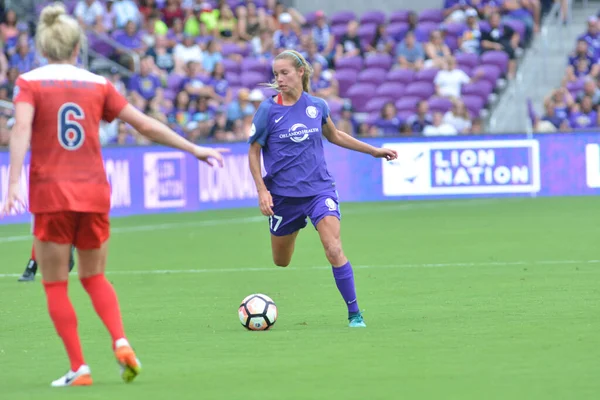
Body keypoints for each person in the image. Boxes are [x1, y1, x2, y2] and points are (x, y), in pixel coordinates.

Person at [0, 3, 227, 387]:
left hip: (52, 193)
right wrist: (194, 148)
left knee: (56, 283)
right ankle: (121, 341)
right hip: (94, 192)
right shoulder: (98, 84)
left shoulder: (30, 82)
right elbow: (144, 125)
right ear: (77, 49)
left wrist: (13, 181)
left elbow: (21, 129)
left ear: (43, 48)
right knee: (94, 277)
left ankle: (80, 368)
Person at [247, 50, 398, 328]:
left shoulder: (317, 106)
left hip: (319, 191)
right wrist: (261, 191)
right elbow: (254, 151)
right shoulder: (268, 110)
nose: (279, 79)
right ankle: (292, 229)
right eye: (276, 74)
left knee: (333, 247)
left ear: (300, 72)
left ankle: (355, 314)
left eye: (285, 73)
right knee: (281, 261)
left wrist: (373, 151)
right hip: (283, 197)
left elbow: (336, 135)